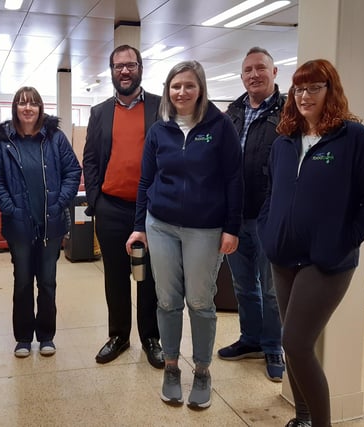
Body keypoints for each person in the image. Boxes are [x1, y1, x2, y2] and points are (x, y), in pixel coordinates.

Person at [258, 59, 364, 427]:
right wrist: (269, 230)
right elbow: (272, 191)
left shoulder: (354, 138)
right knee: (291, 344)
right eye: (299, 88)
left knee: (297, 343)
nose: (304, 95)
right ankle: (302, 418)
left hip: (326, 262)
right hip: (283, 256)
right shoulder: (284, 140)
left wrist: (343, 241)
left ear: (331, 91)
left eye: (314, 87)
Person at [127, 60, 243, 409]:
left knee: (200, 301)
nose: (182, 92)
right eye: (176, 86)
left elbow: (234, 180)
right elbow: (146, 181)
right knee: (167, 300)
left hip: (205, 229)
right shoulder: (159, 129)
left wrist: (232, 228)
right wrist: (138, 227)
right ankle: (173, 367)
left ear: (200, 89)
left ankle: (203, 371)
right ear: (168, 90)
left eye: (189, 85)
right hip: (159, 224)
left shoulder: (220, 127)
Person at [82, 44, 164, 369]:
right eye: (118, 67)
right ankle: (118, 335)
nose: (125, 71)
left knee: (149, 278)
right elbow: (90, 159)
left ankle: (151, 338)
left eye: (130, 65)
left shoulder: (160, 107)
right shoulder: (100, 112)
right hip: (111, 208)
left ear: (140, 68)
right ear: (112, 71)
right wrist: (95, 201)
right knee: (115, 276)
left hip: (150, 210)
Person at [0, 87, 81, 358]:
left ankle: (47, 336)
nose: (28, 108)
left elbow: (73, 171)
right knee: (23, 282)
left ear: (40, 108)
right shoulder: (4, 142)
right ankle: (24, 338)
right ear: (15, 108)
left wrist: (58, 202)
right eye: (22, 103)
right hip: (19, 226)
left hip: (50, 224)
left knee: (48, 282)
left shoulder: (55, 139)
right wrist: (10, 208)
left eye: (33, 103)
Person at [219, 46, 285, 382]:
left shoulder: (289, 113)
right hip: (234, 217)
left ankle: (274, 345)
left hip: (270, 216)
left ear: (275, 73)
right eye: (247, 70)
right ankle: (251, 339)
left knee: (272, 288)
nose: (253, 75)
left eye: (261, 68)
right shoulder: (232, 112)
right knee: (244, 285)